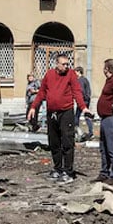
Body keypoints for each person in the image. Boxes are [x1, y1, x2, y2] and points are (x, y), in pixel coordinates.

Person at [27, 54, 92, 184]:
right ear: (56, 64)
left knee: (67, 141)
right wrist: (33, 107)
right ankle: (57, 168)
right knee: (54, 142)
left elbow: (77, 92)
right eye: (63, 64)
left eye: (68, 64)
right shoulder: (49, 75)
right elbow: (41, 93)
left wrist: (83, 108)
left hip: (66, 112)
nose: (66, 66)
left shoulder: (71, 75)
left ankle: (68, 171)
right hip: (52, 113)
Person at [93, 59, 113, 185]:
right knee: (104, 148)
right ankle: (104, 173)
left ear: (107, 68)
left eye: (104, 67)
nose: (103, 69)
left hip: (112, 118)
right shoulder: (110, 80)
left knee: (112, 148)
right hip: (105, 118)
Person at [74, 66, 93, 141]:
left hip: (83, 101)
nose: (75, 73)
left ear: (79, 72)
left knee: (77, 116)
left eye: (75, 72)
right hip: (87, 100)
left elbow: (81, 91)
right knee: (87, 116)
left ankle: (76, 131)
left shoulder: (80, 80)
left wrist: (80, 100)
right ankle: (91, 132)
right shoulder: (85, 80)